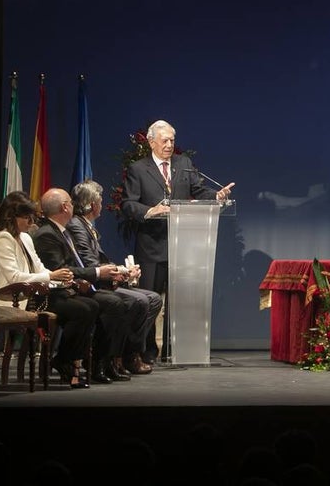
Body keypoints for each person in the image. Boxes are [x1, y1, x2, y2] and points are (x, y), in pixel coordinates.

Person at [119, 119, 234, 366]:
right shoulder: (139, 169)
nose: (170, 145)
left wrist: (217, 196)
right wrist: (152, 211)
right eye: (165, 140)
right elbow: (128, 204)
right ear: (151, 142)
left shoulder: (184, 165)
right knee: (149, 300)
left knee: (180, 302)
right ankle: (147, 351)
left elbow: (200, 192)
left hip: (184, 247)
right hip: (152, 246)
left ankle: (174, 351)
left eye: (172, 140)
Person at [0, 190, 98, 389]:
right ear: (12, 216)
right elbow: (14, 278)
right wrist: (51, 276)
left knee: (90, 305)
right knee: (81, 311)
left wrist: (65, 280)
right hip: (12, 298)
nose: (31, 222)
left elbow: (40, 269)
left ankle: (64, 358)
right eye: (26, 217)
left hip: (35, 295)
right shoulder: (3, 239)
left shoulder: (26, 238)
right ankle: (63, 360)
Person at [34, 187, 133, 384]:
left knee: (106, 304)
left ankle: (97, 361)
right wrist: (96, 273)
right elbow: (59, 270)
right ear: (65, 207)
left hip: (71, 288)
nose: (74, 206)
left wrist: (85, 279)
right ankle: (72, 360)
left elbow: (71, 268)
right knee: (97, 306)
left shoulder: (61, 231)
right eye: (70, 202)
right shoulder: (47, 234)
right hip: (49, 295)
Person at [67, 179, 162, 377]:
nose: (101, 204)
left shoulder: (87, 225)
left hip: (103, 279)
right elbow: (89, 263)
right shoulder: (77, 226)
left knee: (153, 299)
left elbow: (100, 259)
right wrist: (119, 273)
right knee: (140, 300)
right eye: (100, 200)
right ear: (93, 204)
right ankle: (119, 356)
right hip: (91, 285)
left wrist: (124, 271)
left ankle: (128, 353)